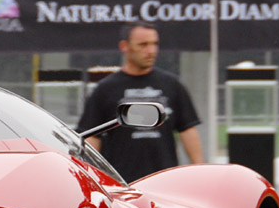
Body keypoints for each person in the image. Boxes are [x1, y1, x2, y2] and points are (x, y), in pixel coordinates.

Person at [76, 22, 204, 181]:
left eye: (154, 44)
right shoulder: (105, 89)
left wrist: (200, 172)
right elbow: (92, 136)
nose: (151, 51)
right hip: (121, 183)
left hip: (165, 180)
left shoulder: (172, 85)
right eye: (143, 45)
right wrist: (90, 177)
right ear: (124, 46)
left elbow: (187, 129)